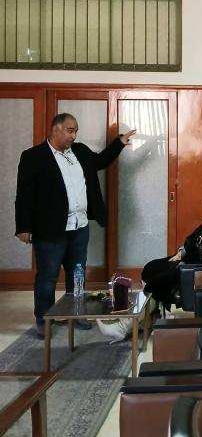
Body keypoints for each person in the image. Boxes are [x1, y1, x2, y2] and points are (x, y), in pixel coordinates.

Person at [14, 112, 136, 339]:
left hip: (79, 227)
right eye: (70, 131)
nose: (74, 136)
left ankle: (77, 313)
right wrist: (23, 227)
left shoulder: (79, 151)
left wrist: (119, 143)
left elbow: (100, 161)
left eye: (76, 131)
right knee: (47, 277)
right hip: (50, 229)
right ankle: (44, 319)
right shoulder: (33, 156)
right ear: (56, 129)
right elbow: (24, 195)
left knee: (77, 274)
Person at [141, 189, 202, 310]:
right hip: (190, 260)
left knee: (156, 281)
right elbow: (192, 239)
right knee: (150, 268)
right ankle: (153, 307)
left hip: (200, 269)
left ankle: (146, 312)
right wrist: (181, 252)